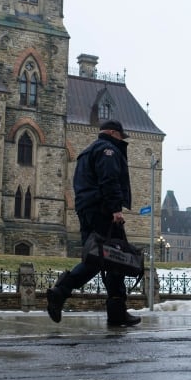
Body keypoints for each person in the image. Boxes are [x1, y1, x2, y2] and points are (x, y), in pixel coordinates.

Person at [46, 119, 140, 327]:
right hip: (103, 210)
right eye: (121, 136)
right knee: (114, 258)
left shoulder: (86, 152)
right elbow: (110, 180)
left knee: (100, 258)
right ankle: (63, 292)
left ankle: (115, 312)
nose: (121, 141)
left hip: (86, 210)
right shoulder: (108, 151)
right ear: (114, 133)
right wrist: (116, 209)